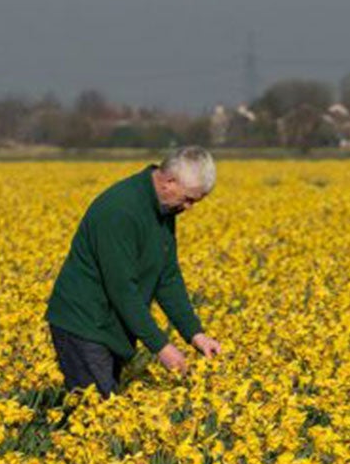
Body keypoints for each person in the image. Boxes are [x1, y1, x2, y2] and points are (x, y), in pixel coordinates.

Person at [46, 146, 224, 397]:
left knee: (105, 414)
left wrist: (195, 334)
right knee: (97, 418)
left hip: (109, 324)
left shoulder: (164, 207)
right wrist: (161, 347)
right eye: (189, 199)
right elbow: (122, 289)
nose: (190, 208)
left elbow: (167, 277)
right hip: (84, 323)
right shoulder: (120, 210)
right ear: (169, 182)